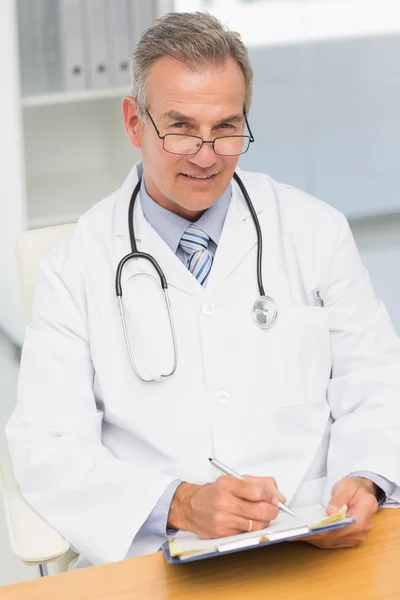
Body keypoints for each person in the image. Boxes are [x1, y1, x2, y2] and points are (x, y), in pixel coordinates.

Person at [6, 12, 400, 569]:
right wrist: (181, 504)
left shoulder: (315, 230)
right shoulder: (74, 267)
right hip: (157, 557)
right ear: (134, 123)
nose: (207, 154)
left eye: (226, 127)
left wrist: (365, 480)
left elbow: (378, 380)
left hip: (313, 543)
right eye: (181, 127)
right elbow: (47, 447)